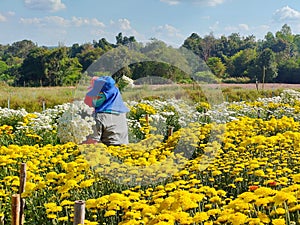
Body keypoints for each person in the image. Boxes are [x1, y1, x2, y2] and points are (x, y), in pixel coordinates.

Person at [83, 76, 129, 146]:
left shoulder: (99, 116)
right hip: (125, 152)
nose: (94, 98)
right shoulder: (121, 113)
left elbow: (92, 143)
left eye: (97, 96)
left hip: (109, 153)